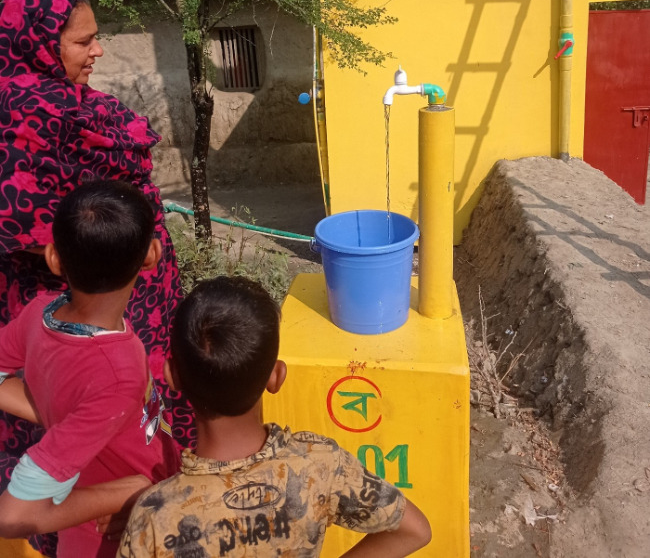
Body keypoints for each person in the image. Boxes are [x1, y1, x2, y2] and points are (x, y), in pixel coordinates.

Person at [119, 276, 432, 558]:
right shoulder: (320, 465)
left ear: (172, 376)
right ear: (276, 377)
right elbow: (415, 530)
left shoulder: (155, 515)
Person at [0, 180, 179, 557]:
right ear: (152, 254)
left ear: (53, 258)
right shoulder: (119, 372)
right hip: (114, 534)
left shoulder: (39, 313)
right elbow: (13, 516)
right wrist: (131, 491)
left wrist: (59, 411)